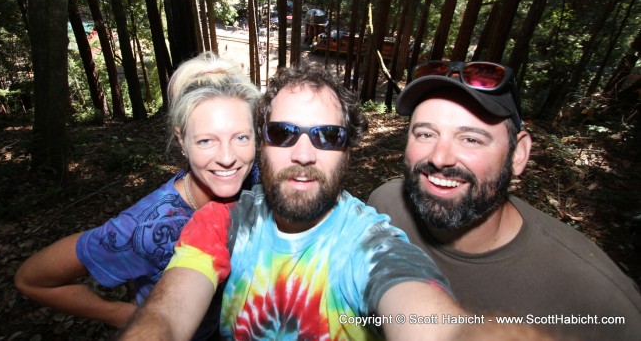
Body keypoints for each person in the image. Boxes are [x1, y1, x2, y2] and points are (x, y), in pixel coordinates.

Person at [120, 63, 548, 341]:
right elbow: (167, 319)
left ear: (348, 151)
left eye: (328, 136)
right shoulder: (222, 222)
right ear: (260, 143)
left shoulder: (371, 244)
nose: (304, 153)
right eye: (283, 133)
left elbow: (440, 329)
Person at [368, 60, 641, 341]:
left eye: (471, 139)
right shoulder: (385, 206)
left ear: (517, 155)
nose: (439, 157)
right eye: (425, 134)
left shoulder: (597, 297)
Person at [14, 52, 260, 338]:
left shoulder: (254, 180)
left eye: (241, 137)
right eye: (206, 140)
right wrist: (120, 314)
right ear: (181, 140)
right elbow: (31, 280)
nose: (228, 158)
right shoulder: (147, 227)